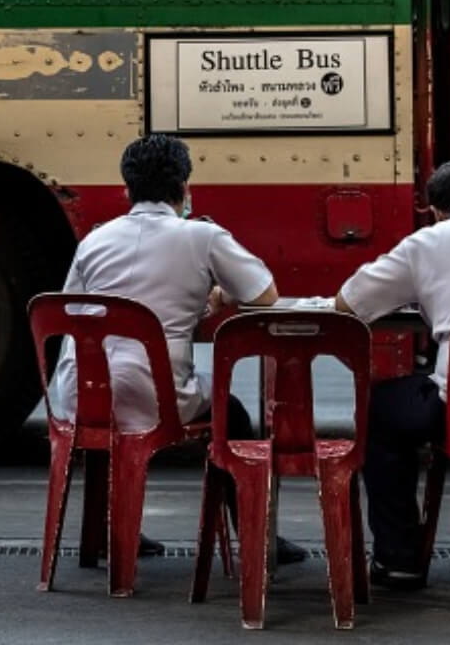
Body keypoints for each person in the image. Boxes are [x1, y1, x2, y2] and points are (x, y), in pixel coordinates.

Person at [52, 133, 305, 563]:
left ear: (126, 189)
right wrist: (217, 297)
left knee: (113, 408)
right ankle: (258, 536)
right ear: (185, 187)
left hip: (81, 395)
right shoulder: (202, 237)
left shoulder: (93, 241)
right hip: (156, 397)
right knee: (236, 415)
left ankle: (111, 530)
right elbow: (264, 295)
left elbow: (73, 312)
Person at [335, 159, 450, 590]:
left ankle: (399, 560)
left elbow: (349, 304)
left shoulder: (428, 242)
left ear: (438, 211)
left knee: (381, 411)